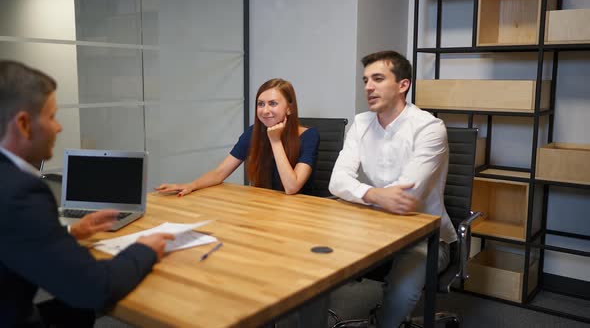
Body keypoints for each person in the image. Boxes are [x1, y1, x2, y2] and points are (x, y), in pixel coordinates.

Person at [0, 60, 175, 328]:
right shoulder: (19, 191)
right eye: (51, 117)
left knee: (72, 311)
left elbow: (12, 236)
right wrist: (145, 248)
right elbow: (93, 288)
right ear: (23, 124)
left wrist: (71, 233)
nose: (58, 128)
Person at [328, 50, 457, 327]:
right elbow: (337, 181)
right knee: (312, 261)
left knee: (400, 291)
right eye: (365, 81)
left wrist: (360, 192)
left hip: (424, 240)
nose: (368, 87)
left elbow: (404, 198)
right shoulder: (361, 123)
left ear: (403, 85)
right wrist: (374, 194)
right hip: (370, 230)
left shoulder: (429, 128)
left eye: (377, 79)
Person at [155, 78, 320, 196]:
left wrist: (275, 141)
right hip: (264, 208)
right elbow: (220, 173)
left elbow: (291, 188)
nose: (265, 110)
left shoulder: (309, 136)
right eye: (260, 104)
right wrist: (191, 185)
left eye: (273, 103)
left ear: (289, 108)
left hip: (298, 214)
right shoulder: (253, 132)